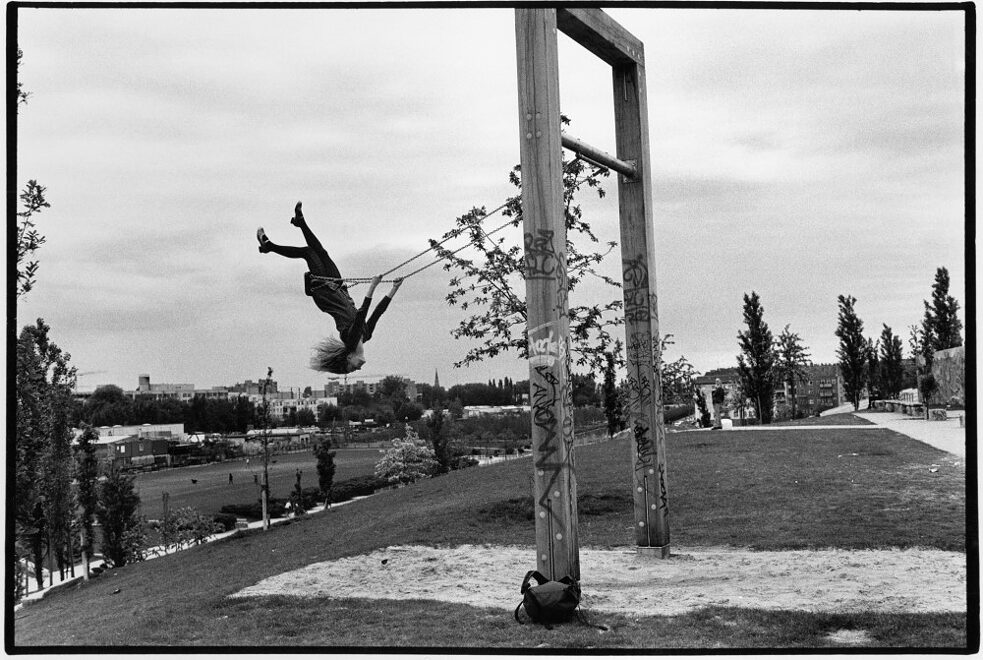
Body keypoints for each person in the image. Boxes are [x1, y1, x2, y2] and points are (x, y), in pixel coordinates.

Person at [257, 202, 403, 374]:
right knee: (321, 253)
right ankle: (300, 222)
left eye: (353, 366)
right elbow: (378, 312)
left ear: (349, 357)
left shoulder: (350, 340)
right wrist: (394, 288)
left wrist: (373, 286)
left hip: (325, 293)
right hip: (339, 289)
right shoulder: (366, 335)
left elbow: (362, 312)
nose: (359, 367)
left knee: (309, 253)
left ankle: (269, 247)